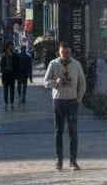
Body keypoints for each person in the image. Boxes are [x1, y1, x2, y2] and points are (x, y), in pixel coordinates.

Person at [44, 42, 86, 171]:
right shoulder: (53, 64)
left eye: (68, 53)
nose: (65, 55)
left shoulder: (76, 64)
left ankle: (73, 161)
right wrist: (55, 83)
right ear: (59, 52)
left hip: (72, 101)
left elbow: (82, 84)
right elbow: (45, 82)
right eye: (63, 53)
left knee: (73, 132)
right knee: (59, 132)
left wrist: (78, 99)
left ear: (71, 52)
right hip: (59, 101)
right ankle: (59, 161)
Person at [0, 41, 20, 109]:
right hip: (5, 75)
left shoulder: (15, 55)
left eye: (12, 46)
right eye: (10, 46)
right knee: (5, 90)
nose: (11, 47)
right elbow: (1, 66)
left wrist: (16, 75)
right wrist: (4, 70)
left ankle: (11, 103)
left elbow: (17, 65)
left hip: (12, 75)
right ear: (7, 47)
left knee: (12, 90)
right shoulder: (4, 56)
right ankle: (6, 103)